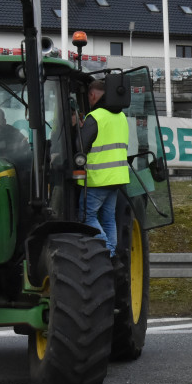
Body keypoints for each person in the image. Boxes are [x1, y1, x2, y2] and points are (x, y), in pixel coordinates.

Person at [79, 80, 129, 258]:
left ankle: (108, 252)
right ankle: (111, 255)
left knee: (86, 216)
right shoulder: (121, 116)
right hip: (117, 177)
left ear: (92, 95)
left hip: (98, 178)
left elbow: (81, 145)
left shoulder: (96, 117)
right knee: (108, 219)